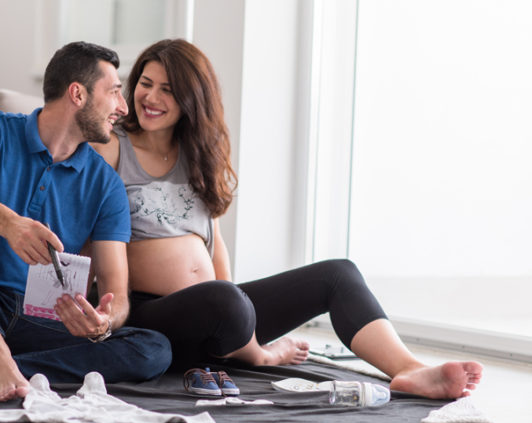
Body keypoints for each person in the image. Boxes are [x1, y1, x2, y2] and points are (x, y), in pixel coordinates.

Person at [91, 38, 483, 400]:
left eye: (168, 89)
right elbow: (93, 236)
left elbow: (214, 242)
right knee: (224, 299)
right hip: (151, 315)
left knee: (338, 274)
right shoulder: (112, 149)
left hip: (220, 311)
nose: (150, 97)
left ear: (192, 100)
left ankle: (410, 368)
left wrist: (240, 314)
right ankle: (255, 355)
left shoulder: (195, 156)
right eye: (146, 83)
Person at [0, 41, 172, 403]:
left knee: (154, 348)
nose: (123, 108)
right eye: (113, 93)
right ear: (77, 94)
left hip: (34, 319)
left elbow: (118, 294)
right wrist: (10, 224)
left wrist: (104, 321)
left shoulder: (105, 185)